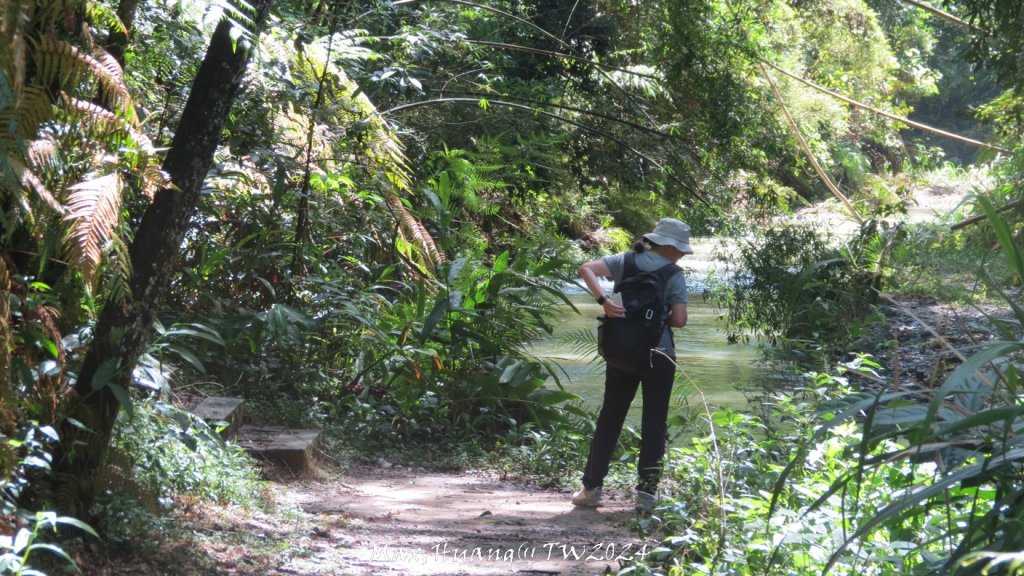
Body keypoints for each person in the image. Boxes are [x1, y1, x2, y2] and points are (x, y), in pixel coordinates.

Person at [573, 218, 692, 511]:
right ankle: (647, 495)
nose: (680, 255)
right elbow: (679, 320)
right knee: (654, 421)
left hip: (620, 352)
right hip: (658, 355)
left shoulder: (625, 260)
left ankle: (591, 490)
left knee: (610, 417)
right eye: (679, 249)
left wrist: (604, 300)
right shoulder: (674, 274)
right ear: (668, 246)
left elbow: (585, 268)